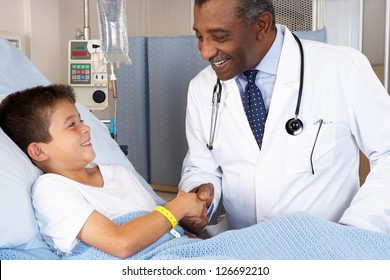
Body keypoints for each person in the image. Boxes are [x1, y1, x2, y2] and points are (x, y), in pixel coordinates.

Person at [178, 0, 390, 235]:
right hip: (243, 249)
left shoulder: (343, 68)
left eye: (219, 36)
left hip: (326, 250)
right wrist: (200, 193)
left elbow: (387, 153)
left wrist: (357, 229)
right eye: (199, 36)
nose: (205, 52)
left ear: (261, 25)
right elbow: (201, 166)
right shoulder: (202, 87)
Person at [0, 84, 206, 258]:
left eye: (81, 120)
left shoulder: (119, 173)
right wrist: (179, 206)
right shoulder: (51, 189)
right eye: (71, 125)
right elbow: (120, 244)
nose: (86, 128)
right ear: (38, 150)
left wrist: (186, 221)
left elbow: (158, 225)